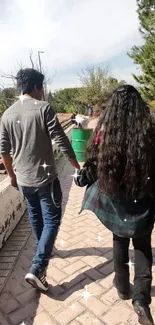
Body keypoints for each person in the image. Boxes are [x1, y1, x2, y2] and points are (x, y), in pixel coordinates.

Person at [75, 85, 155, 325]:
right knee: (142, 247)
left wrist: (85, 176)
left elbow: (94, 163)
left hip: (116, 200)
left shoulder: (105, 132)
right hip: (143, 198)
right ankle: (141, 300)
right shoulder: (149, 130)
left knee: (119, 240)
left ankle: (122, 287)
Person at [0, 68, 80, 292]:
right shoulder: (43, 108)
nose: (43, 91)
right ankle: (38, 267)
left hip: (24, 180)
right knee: (52, 220)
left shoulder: (7, 114)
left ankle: (41, 251)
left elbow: (4, 151)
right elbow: (61, 139)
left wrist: (12, 176)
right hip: (46, 179)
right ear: (36, 87)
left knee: (35, 216)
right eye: (42, 87)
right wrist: (75, 163)